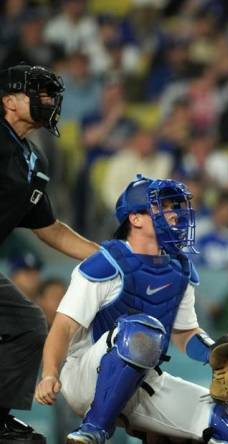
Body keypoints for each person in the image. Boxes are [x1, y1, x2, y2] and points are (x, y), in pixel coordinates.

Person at [33, 175, 228, 443]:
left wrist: (213, 352)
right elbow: (63, 327)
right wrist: (49, 373)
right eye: (164, 207)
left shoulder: (180, 269)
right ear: (135, 218)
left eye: (177, 207)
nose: (175, 214)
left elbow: (184, 334)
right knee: (141, 331)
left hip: (143, 381)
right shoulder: (106, 263)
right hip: (85, 376)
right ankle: (94, 429)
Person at [0, 64, 99, 443]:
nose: (48, 101)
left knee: (27, 323)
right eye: (37, 93)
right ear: (8, 101)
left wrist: (107, 256)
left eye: (49, 94)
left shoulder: (33, 160)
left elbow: (50, 229)